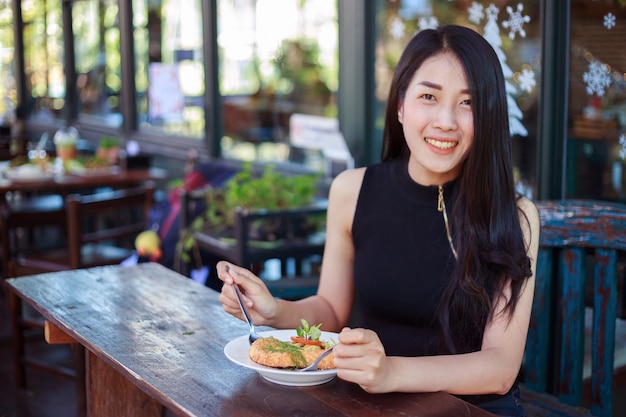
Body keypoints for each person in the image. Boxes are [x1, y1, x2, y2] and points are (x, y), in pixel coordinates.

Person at [217, 25, 540, 417]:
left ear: (488, 115)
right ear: (401, 105)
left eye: (467, 103)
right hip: (373, 406)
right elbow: (331, 311)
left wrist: (391, 372)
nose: (446, 121)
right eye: (428, 96)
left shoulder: (516, 215)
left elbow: (500, 369)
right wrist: (274, 312)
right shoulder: (352, 191)